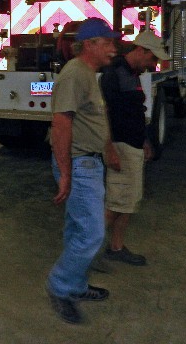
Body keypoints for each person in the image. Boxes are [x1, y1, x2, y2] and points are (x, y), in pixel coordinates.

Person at [46, 17, 120, 324]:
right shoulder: (75, 74)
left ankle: (74, 284)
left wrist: (107, 148)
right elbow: (61, 124)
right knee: (92, 233)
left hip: (88, 161)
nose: (114, 50)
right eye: (109, 43)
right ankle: (60, 285)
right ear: (90, 44)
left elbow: (87, 120)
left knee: (78, 228)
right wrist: (65, 173)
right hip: (78, 164)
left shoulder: (89, 74)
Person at [95, 29, 169, 267]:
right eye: (152, 58)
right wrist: (110, 149)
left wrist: (145, 140)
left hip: (133, 146)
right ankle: (88, 255)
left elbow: (136, 111)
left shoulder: (133, 73)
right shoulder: (113, 74)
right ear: (141, 50)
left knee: (128, 202)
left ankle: (115, 247)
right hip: (121, 147)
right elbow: (104, 115)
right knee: (115, 204)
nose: (154, 64)